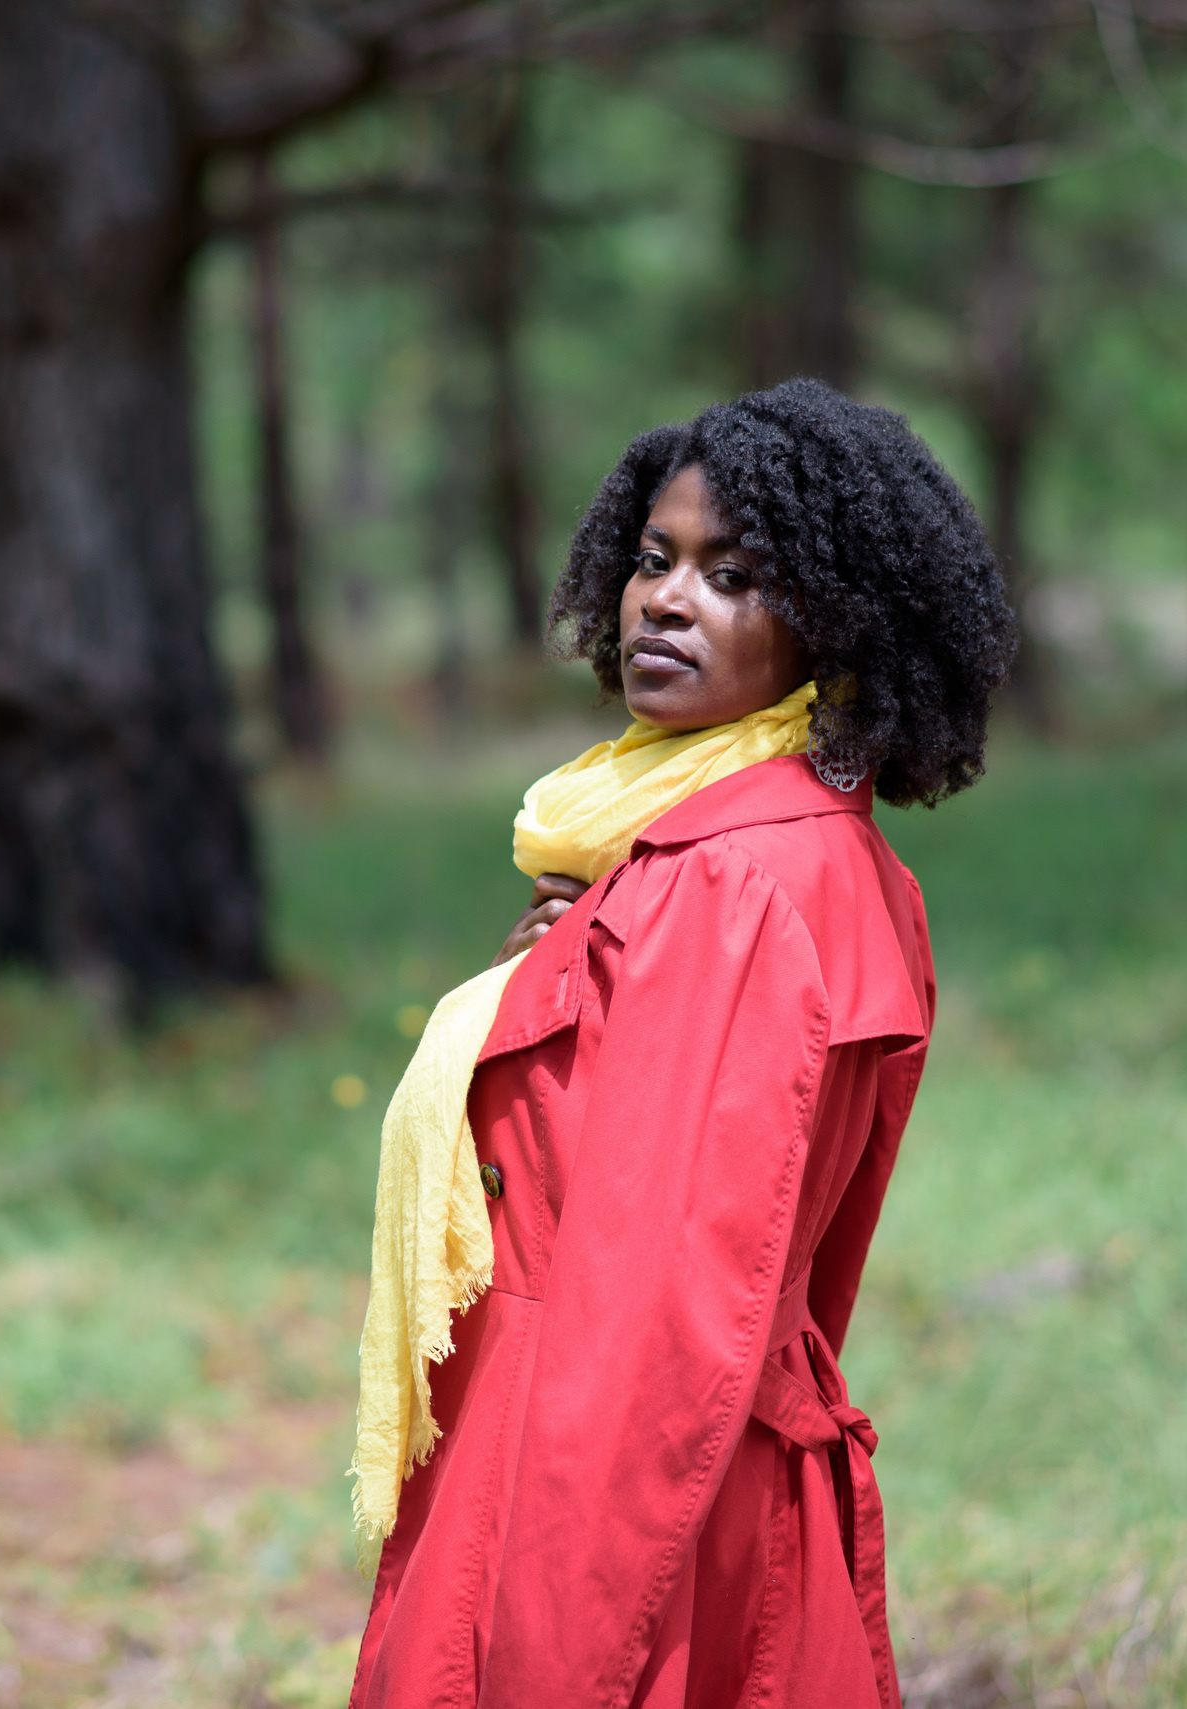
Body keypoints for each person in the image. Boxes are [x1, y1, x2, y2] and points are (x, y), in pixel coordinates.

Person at [347, 379, 1017, 1709]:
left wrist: (548, 1642)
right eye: (655, 559)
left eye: (734, 573)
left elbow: (661, 1309)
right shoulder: (693, 852)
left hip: (621, 1508)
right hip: (615, 1464)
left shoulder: (742, 886)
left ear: (835, 614)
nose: (665, 598)